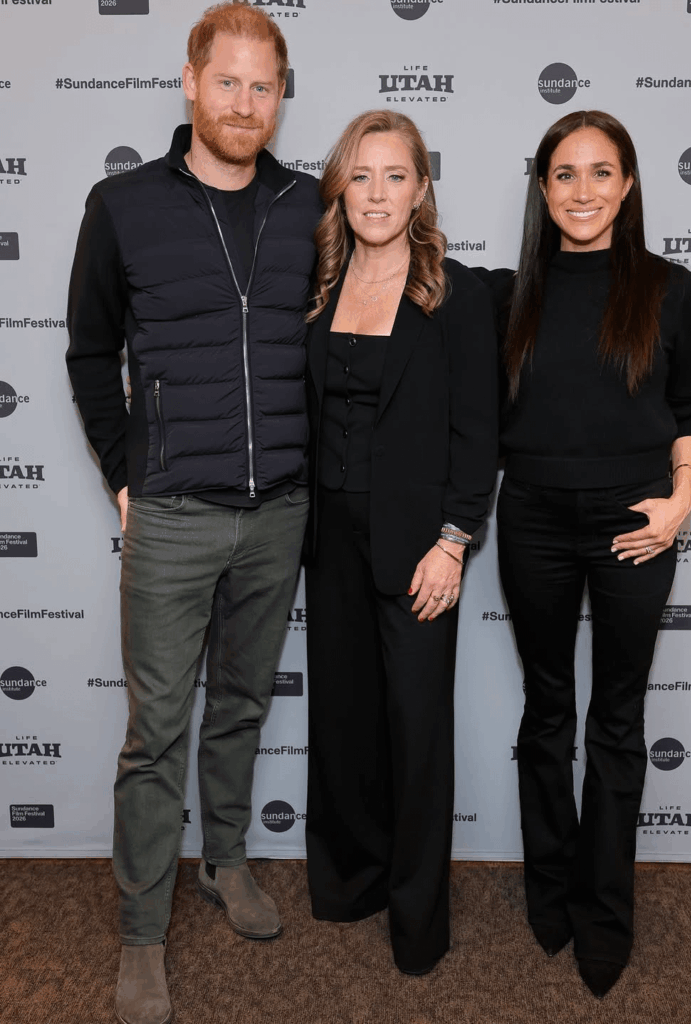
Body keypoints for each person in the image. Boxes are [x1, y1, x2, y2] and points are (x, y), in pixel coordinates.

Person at [66, 4, 322, 1022]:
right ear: (189, 81)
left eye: (264, 86)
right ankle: (140, 929)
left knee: (244, 705)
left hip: (280, 511)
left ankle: (223, 858)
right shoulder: (122, 203)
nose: (246, 103)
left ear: (279, 95)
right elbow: (91, 351)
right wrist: (124, 469)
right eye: (229, 82)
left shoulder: (311, 203)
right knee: (156, 729)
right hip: (171, 512)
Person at [481, 110, 691, 997]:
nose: (582, 191)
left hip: (637, 523)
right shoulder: (507, 298)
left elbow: (689, 407)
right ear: (542, 189)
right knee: (546, 713)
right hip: (532, 516)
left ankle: (603, 915)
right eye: (564, 174)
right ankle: (550, 892)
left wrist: (679, 501)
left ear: (628, 184)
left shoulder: (670, 289)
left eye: (600, 172)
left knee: (615, 723)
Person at [303, 110, 498, 975]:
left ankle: (418, 923)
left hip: (418, 545)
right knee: (344, 723)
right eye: (360, 176)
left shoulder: (455, 295)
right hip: (327, 542)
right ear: (339, 189)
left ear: (420, 189)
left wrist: (453, 541)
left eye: (395, 176)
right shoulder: (316, 286)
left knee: (416, 733)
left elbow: (477, 434)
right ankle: (351, 885)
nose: (376, 194)